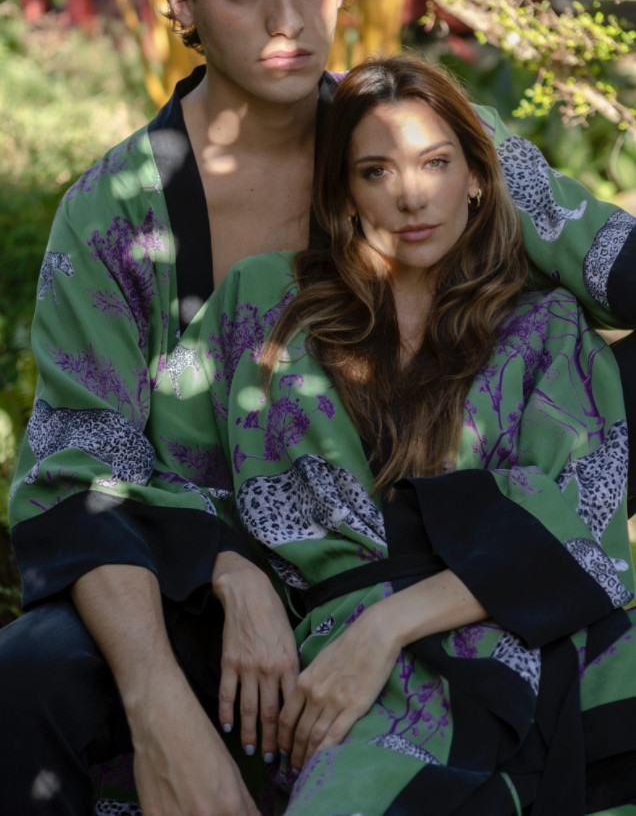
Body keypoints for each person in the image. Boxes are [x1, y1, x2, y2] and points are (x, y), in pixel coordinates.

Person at [0, 0, 634, 813]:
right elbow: (82, 473)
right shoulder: (118, 214)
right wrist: (176, 677)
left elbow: (604, 254)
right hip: (226, 569)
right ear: (182, 1)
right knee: (33, 670)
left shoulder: (416, 134)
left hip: (462, 535)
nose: (285, 21)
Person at [170, 55, 636, 815]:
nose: (412, 195)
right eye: (376, 171)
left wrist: (388, 625)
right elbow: (164, 475)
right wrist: (236, 573)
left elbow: (584, 523)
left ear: (479, 177)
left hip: (540, 637)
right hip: (348, 673)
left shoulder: (546, 326)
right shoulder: (263, 306)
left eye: (437, 162)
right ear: (343, 192)